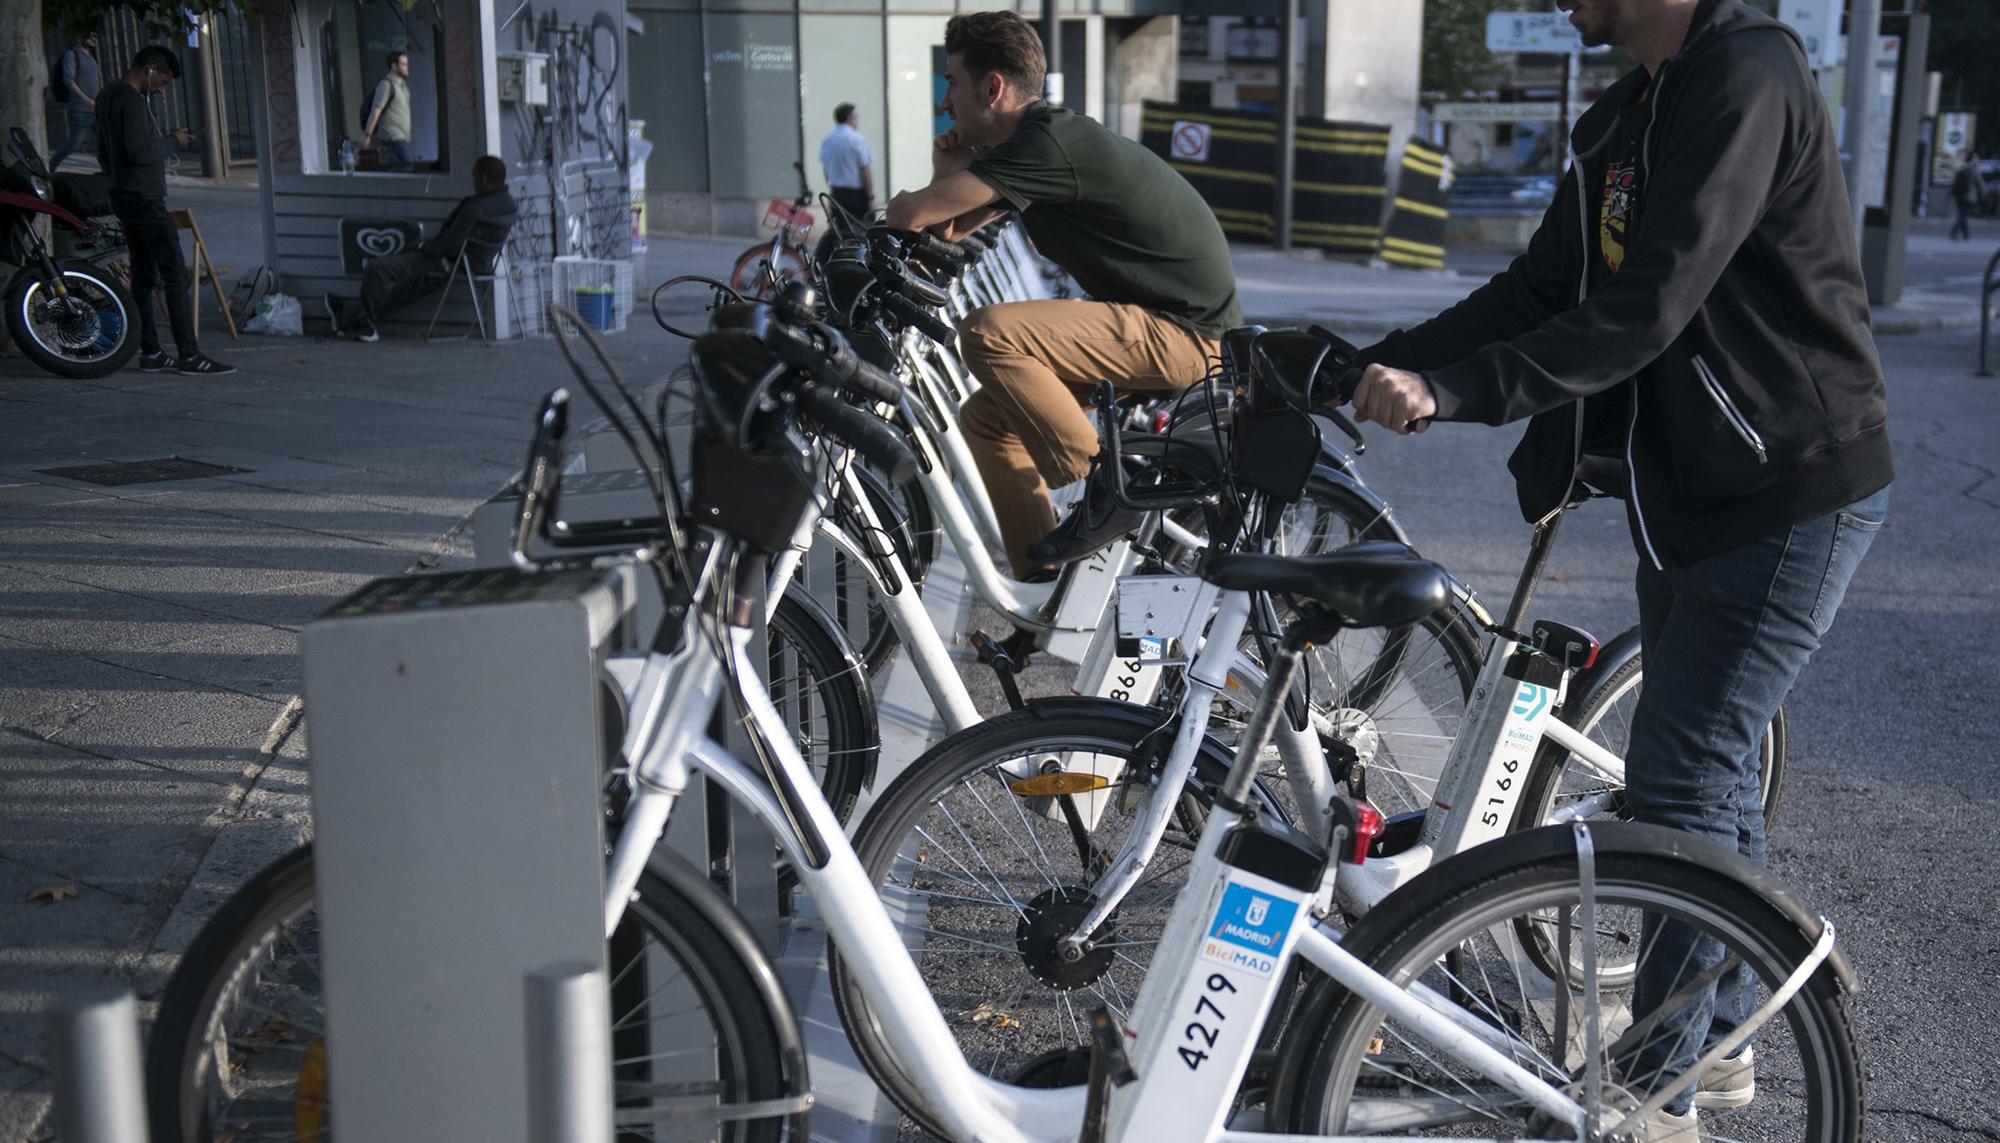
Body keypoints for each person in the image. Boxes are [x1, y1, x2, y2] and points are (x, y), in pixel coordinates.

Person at [1342, 0, 1890, 1134]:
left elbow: (1649, 303)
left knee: (1680, 789)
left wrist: (1460, 391)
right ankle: (1720, 1041)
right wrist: (1370, 366)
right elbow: (1540, 292)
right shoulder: (1636, 109)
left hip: (1787, 481)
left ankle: (1653, 1095)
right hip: (1691, 492)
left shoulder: (1744, 77)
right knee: (1709, 783)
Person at [884, 11, 1240, 580]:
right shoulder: (1032, 146)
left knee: (987, 333)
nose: (945, 102)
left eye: (951, 81)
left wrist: (912, 204)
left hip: (1186, 334)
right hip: (1161, 325)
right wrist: (947, 168)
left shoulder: (1048, 143)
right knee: (986, 421)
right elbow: (950, 227)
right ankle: (1040, 580)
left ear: (992, 87)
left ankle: (1105, 485)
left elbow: (910, 215)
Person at [97, 45, 233, 376]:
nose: (162, 88)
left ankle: (151, 350)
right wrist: (174, 140)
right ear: (149, 70)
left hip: (122, 193)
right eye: (163, 80)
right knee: (174, 272)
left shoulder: (106, 96)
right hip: (143, 197)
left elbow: (103, 150)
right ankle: (189, 353)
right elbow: (141, 151)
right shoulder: (130, 99)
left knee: (143, 274)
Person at [323, 155, 517, 340]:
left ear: (483, 178)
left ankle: (365, 325)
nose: (473, 181)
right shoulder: (509, 205)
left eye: (474, 176)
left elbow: (449, 245)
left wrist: (424, 246)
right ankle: (349, 315)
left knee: (378, 269)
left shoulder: (476, 208)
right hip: (474, 263)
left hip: (448, 261)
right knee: (408, 288)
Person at [815, 103, 874, 262]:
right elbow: (865, 171)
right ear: (849, 118)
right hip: (856, 195)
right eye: (855, 117)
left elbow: (826, 170)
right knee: (864, 233)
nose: (857, 120)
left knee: (837, 231)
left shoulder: (827, 139)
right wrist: (870, 197)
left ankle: (825, 262)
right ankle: (859, 263)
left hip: (837, 193)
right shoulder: (858, 139)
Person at [47, 33, 102, 172]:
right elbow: (68, 81)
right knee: (74, 144)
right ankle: (51, 165)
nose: (94, 39)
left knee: (106, 140)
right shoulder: (72, 55)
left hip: (95, 108)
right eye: (90, 36)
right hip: (79, 109)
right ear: (80, 37)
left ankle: (109, 170)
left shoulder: (91, 58)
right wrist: (85, 99)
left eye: (95, 37)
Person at [361, 51, 413, 167]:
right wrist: (367, 136)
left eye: (407, 64)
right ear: (394, 66)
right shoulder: (385, 85)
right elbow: (375, 111)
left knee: (402, 172)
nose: (406, 67)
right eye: (403, 64)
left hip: (403, 138)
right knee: (406, 169)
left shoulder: (402, 86)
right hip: (392, 138)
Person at [1950, 149, 1984, 241]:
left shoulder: (1962, 167)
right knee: (1962, 215)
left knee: (1962, 214)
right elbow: (1980, 185)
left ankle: (1966, 234)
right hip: (1968, 196)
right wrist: (1983, 196)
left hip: (1959, 195)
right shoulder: (1973, 170)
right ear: (1972, 159)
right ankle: (1954, 232)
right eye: (1976, 158)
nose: (1978, 160)